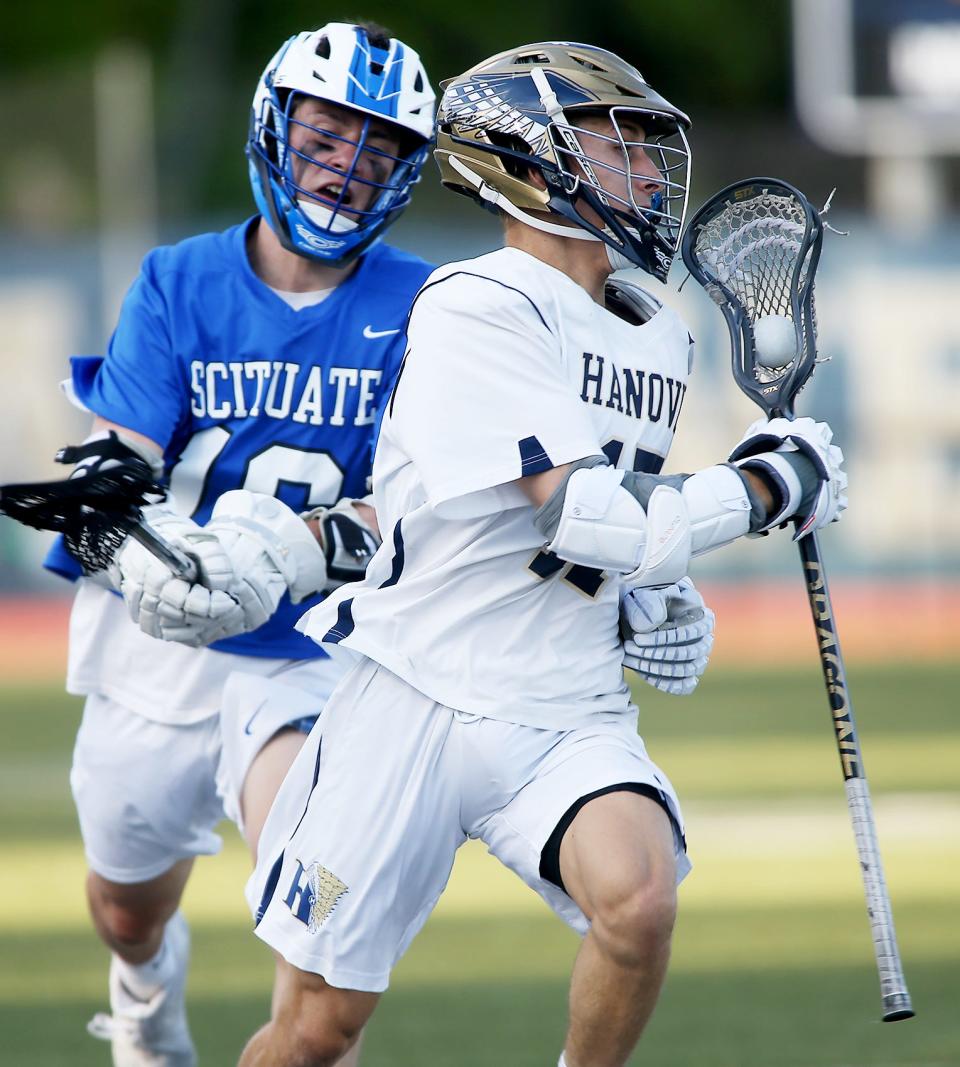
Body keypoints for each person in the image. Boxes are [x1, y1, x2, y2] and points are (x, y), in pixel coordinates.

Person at [137, 41, 845, 1067]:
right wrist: (763, 489)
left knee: (639, 901)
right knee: (315, 1030)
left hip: (559, 701)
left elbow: (625, 519)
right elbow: (584, 516)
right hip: (415, 692)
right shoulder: (477, 304)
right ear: (528, 160)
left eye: (648, 149)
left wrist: (656, 594)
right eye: (618, 147)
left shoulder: (658, 326)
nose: (649, 173)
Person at [44, 22, 435, 1066]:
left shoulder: (428, 307)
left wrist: (305, 549)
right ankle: (140, 992)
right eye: (323, 137)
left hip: (319, 650)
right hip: (161, 646)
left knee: (317, 907)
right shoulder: (179, 280)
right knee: (126, 905)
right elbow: (116, 466)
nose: (345, 168)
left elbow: (426, 506)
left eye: (376, 150)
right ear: (274, 129)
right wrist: (140, 550)